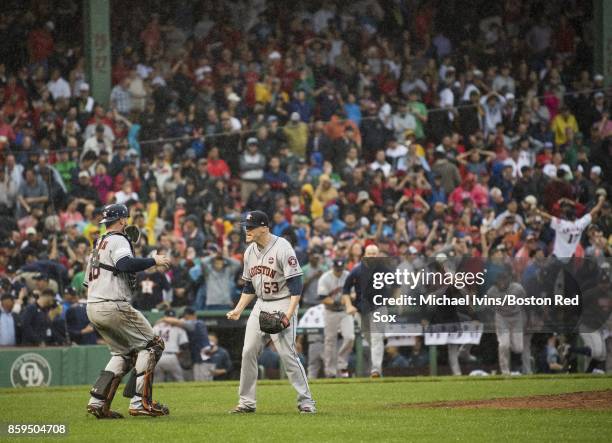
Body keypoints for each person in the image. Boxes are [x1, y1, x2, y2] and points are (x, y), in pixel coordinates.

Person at [85, 203, 171, 418]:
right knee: (153, 345)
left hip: (93, 305)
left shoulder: (98, 243)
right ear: (122, 220)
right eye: (126, 218)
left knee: (122, 353)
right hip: (112, 304)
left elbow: (87, 283)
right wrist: (153, 260)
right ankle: (139, 402)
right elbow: (124, 264)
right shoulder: (118, 239)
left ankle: (97, 402)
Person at [226, 210, 316, 413]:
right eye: (245, 226)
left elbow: (296, 284)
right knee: (248, 351)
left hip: (284, 302)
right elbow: (249, 287)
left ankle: (306, 401)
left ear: (264, 228)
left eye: (250, 227)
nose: (246, 230)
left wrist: (289, 314)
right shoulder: (249, 251)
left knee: (288, 354)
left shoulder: (283, 247)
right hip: (261, 304)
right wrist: (238, 309)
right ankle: (246, 403)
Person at [342, 244, 385, 377]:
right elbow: (346, 290)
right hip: (361, 310)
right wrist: (349, 305)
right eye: (369, 253)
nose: (372, 256)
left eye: (374, 253)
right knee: (371, 339)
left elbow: (396, 286)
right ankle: (378, 367)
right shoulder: (356, 270)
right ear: (364, 255)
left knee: (376, 337)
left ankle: (375, 369)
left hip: (379, 308)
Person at [318, 258, 354, 378]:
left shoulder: (348, 275)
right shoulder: (325, 278)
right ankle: (330, 372)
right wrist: (339, 302)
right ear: (333, 267)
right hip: (330, 312)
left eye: (341, 269)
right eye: (337, 269)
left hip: (345, 312)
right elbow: (323, 298)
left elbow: (355, 293)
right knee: (330, 341)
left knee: (350, 337)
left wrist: (348, 298)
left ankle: (342, 365)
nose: (339, 271)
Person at [538, 195, 605, 258]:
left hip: (558, 256)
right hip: (571, 257)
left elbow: (547, 216)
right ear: (575, 214)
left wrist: (537, 211)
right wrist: (601, 201)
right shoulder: (580, 223)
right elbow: (595, 210)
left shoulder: (561, 224)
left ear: (565, 216)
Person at [161, 307, 212, 381]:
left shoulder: (196, 323)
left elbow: (177, 322)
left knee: (203, 379)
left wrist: (163, 319)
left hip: (202, 355)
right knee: (200, 379)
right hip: (202, 354)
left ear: (187, 315)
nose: (184, 318)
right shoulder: (198, 323)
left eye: (185, 316)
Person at [153, 309, 189, 382]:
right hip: (171, 356)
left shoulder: (156, 327)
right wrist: (180, 352)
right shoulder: (178, 327)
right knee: (179, 380)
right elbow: (185, 345)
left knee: (157, 382)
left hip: (157, 357)